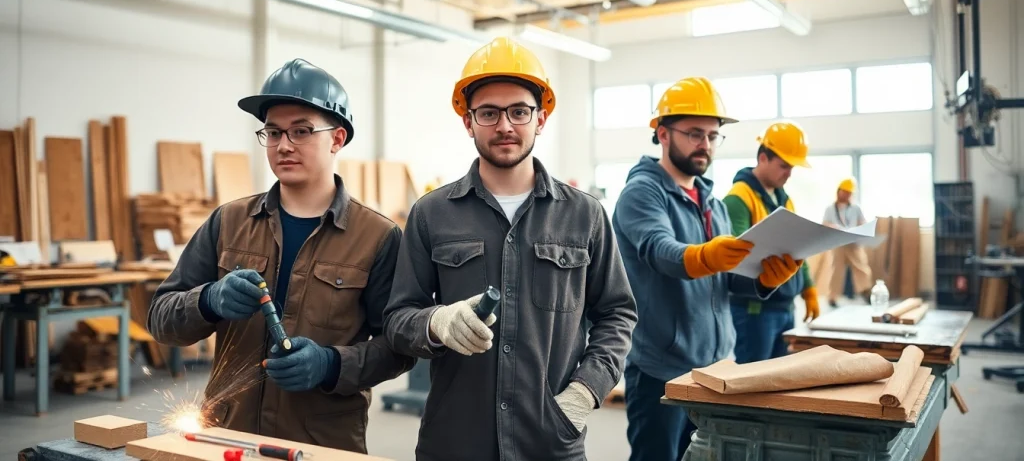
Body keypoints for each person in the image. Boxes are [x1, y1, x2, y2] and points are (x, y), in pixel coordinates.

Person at [383, 37, 638, 461]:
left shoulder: (585, 216)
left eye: (519, 111)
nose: (505, 125)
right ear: (468, 122)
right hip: (455, 442)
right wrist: (437, 322)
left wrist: (586, 390)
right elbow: (397, 318)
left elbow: (617, 313)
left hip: (550, 442)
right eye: (488, 113)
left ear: (541, 119)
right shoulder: (431, 214)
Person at [147, 59, 415, 453]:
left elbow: (398, 348)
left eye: (301, 131)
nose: (284, 145)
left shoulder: (377, 237)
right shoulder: (228, 221)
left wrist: (331, 364)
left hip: (322, 444)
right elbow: (160, 319)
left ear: (337, 138)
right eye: (273, 132)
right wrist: (207, 300)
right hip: (227, 437)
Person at [611, 78, 805, 461]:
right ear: (663, 134)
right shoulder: (641, 193)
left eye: (713, 136)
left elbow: (725, 279)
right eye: (695, 134)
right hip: (661, 370)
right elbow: (661, 251)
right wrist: (706, 256)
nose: (706, 144)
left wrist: (763, 280)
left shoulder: (711, 202)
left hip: (715, 368)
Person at [723, 121, 820, 364]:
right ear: (763, 158)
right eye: (784, 166)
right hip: (755, 311)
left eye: (792, 167)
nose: (789, 174)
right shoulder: (738, 199)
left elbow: (798, 249)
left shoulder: (784, 200)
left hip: (785, 307)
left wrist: (808, 289)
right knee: (753, 379)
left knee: (779, 378)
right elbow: (737, 262)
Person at [818, 177, 873, 307]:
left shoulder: (856, 208)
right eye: (845, 192)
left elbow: (862, 222)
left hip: (853, 242)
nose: (847, 195)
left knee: (861, 266)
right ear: (839, 191)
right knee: (836, 269)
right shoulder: (830, 209)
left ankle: (866, 291)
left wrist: (863, 230)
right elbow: (824, 224)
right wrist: (834, 227)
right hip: (838, 243)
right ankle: (832, 296)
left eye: (849, 193)